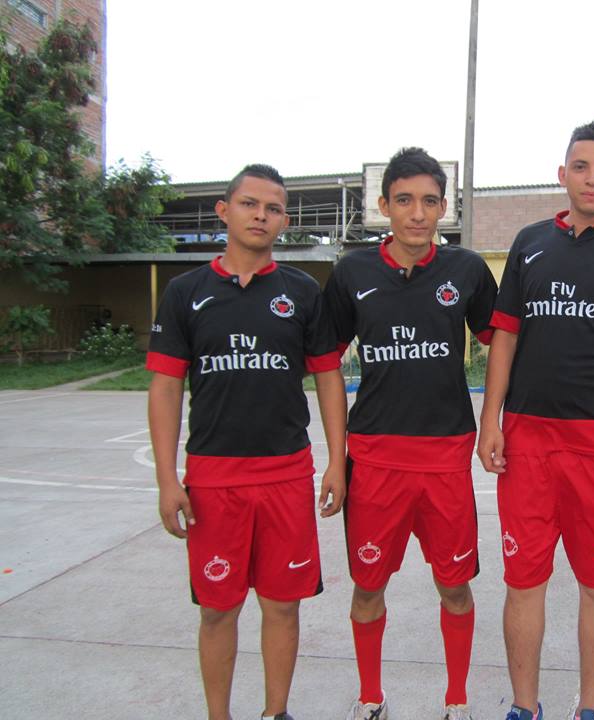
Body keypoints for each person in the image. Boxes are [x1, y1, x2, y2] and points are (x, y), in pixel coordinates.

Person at [477, 120, 594, 720]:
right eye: (581, 167)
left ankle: (589, 710)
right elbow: (504, 339)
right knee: (524, 582)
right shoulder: (530, 242)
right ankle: (524, 707)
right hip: (528, 442)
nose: (592, 179)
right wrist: (491, 420)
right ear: (561, 174)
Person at [147, 164, 347, 720]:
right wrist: (168, 480)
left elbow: (329, 378)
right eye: (250, 204)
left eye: (274, 208)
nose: (261, 215)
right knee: (217, 610)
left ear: (284, 219)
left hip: (285, 475)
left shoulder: (303, 292)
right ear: (224, 211)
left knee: (282, 605)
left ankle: (274, 713)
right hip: (214, 479)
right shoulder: (187, 293)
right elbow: (165, 388)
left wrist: (337, 461)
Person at [323, 147, 497, 720]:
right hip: (374, 458)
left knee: (455, 586)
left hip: (446, 455)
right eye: (404, 201)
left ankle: (456, 700)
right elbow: (325, 361)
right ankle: (370, 697)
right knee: (369, 585)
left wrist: (496, 420)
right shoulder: (352, 272)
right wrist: (333, 457)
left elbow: (504, 344)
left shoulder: (467, 270)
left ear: (444, 208)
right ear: (384, 206)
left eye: (429, 201)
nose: (417, 213)